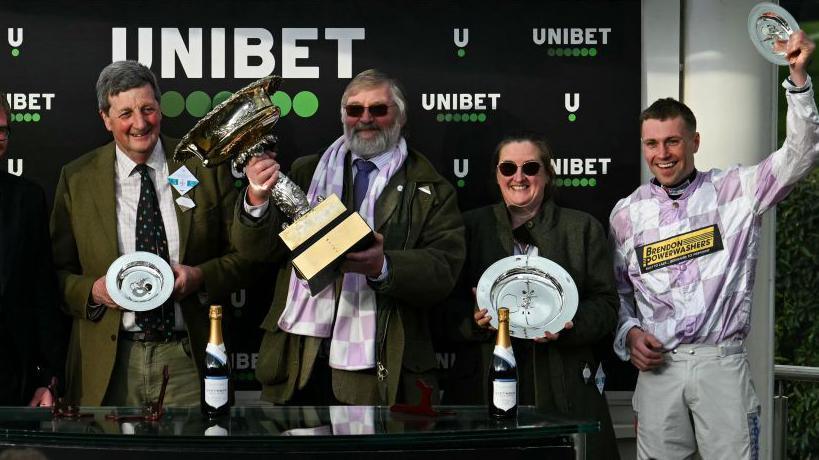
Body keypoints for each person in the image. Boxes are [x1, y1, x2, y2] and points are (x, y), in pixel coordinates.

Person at [610, 31, 818, 460]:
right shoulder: (626, 213)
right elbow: (617, 293)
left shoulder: (736, 190)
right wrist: (628, 333)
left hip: (720, 363)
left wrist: (797, 81)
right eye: (652, 143)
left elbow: (799, 155)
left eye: (673, 141)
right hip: (659, 372)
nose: (662, 153)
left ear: (694, 142)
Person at [232, 69, 465, 405]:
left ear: (400, 116)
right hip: (299, 364)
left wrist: (384, 266)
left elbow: (444, 269)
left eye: (378, 110)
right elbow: (258, 251)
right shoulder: (305, 172)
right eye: (355, 110)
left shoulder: (430, 188)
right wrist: (257, 197)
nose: (365, 119)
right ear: (343, 116)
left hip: (377, 370)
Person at [50, 61, 254, 407]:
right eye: (126, 113)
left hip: (188, 359)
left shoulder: (202, 167)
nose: (140, 123)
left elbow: (245, 256)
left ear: (160, 108)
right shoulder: (77, 179)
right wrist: (93, 292)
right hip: (110, 364)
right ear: (106, 118)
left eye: (148, 109)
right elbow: (53, 273)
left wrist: (199, 276)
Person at [451, 134, 618, 458]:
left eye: (530, 167)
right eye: (508, 167)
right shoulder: (469, 228)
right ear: (496, 175)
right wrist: (472, 320)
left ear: (547, 174)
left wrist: (571, 323)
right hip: (486, 384)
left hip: (563, 385)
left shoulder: (581, 228)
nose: (519, 177)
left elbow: (607, 305)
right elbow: (440, 307)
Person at [0, 93, 67, 406]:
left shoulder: (26, 199)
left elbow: (43, 294)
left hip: (13, 384)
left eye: (2, 130)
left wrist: (47, 378)